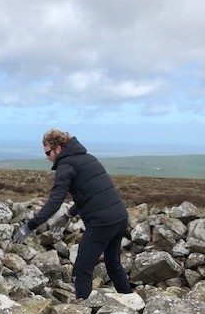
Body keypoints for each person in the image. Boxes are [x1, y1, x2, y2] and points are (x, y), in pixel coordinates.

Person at [13, 129, 132, 300]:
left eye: (48, 152)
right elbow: (92, 193)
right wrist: (68, 214)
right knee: (113, 264)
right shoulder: (88, 158)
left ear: (59, 148)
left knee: (82, 269)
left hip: (101, 223)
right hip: (119, 218)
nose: (47, 157)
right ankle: (130, 301)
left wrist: (30, 226)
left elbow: (54, 202)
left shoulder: (65, 166)